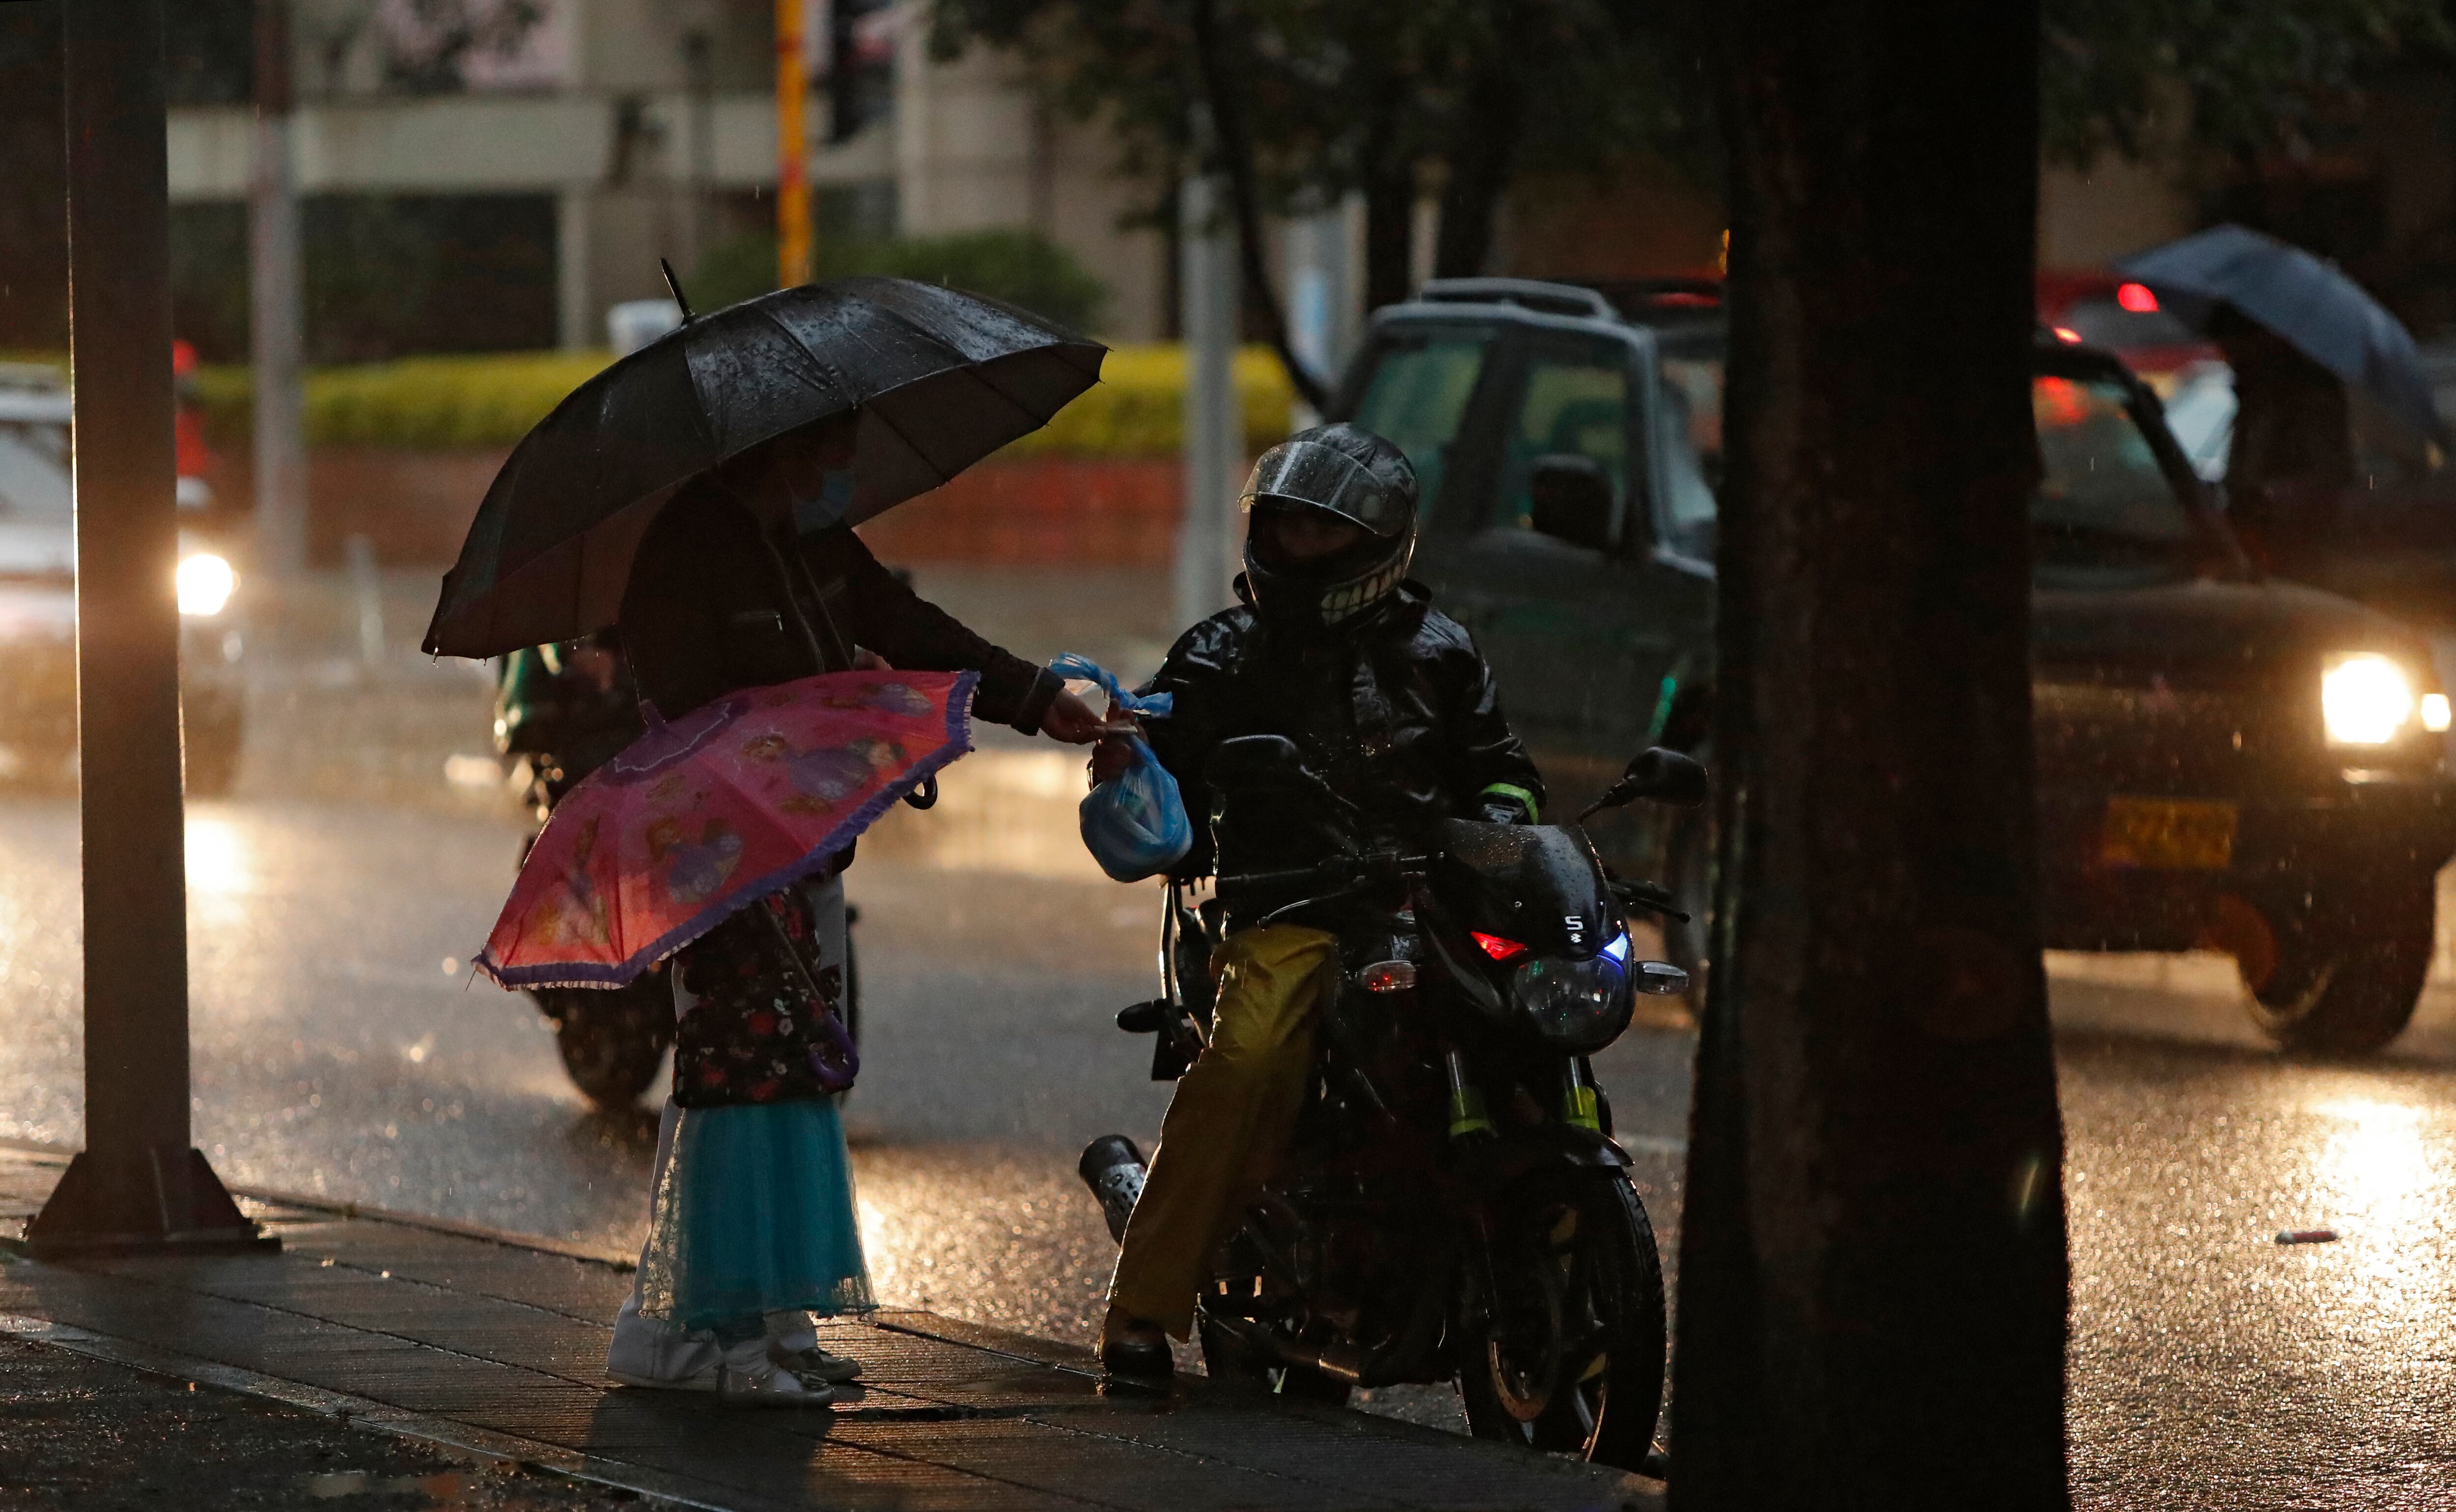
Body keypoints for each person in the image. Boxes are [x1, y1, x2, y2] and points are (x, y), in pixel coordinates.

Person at [604, 423, 1107, 1405]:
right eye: (818, 453)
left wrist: (1035, 695)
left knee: (796, 1072)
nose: (836, 472)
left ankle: (774, 1317)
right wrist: (816, 714)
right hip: (727, 857)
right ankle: (691, 1331)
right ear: (768, 449)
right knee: (737, 1076)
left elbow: (907, 620)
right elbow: (693, 714)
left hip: (810, 847)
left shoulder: (809, 538)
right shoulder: (684, 550)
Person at [1087, 423, 1544, 1382]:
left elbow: (1500, 769)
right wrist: (1130, 762)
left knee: (1534, 1015)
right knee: (1246, 1060)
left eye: (1319, 531)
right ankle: (1139, 1308)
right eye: (1284, 526)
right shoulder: (1218, 653)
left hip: (1433, 904)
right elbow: (1156, 781)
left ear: (1378, 543)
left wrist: (1509, 820)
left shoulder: (1442, 649)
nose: (1295, 544)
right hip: (1286, 907)